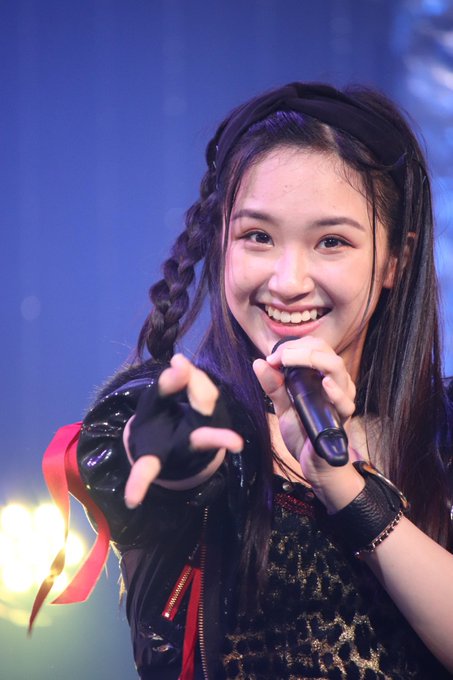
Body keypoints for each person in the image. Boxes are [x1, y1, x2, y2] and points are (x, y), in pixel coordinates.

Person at [66, 83, 453, 678]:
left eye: (331, 242)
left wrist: (343, 483)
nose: (288, 281)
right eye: (258, 237)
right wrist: (167, 442)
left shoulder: (442, 437)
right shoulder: (194, 415)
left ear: (394, 260)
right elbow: (159, 451)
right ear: (221, 240)